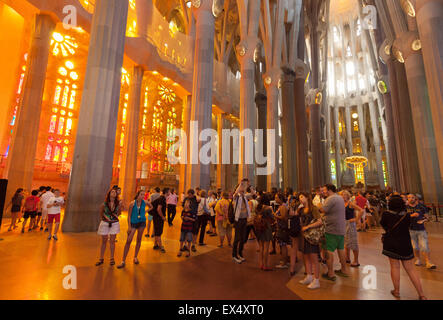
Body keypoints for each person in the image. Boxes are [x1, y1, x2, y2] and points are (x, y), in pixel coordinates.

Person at [381, 195, 427, 300]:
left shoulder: (386, 214)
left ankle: (396, 291)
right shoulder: (407, 216)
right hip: (405, 243)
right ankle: (421, 294)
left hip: (391, 243)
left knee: (394, 267)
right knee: (411, 269)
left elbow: (384, 226)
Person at [318, 184, 348, 281]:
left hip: (332, 229)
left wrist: (318, 205)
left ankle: (330, 273)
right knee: (341, 249)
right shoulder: (339, 198)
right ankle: (344, 269)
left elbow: (322, 210)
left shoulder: (331, 199)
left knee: (329, 251)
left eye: (325, 190)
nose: (324, 191)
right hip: (341, 228)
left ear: (330, 190)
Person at [117, 190, 152, 268]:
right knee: (128, 240)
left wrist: (145, 211)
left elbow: (151, 206)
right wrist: (129, 226)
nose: (142, 196)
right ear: (138, 195)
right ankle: (123, 260)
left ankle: (135, 257)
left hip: (142, 222)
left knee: (139, 240)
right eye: (141, 194)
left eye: (143, 195)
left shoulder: (145, 202)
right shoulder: (132, 204)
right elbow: (129, 216)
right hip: (133, 223)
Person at [298, 192, 322, 289]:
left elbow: (319, 221)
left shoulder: (314, 209)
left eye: (302, 197)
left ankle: (316, 280)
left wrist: (308, 226)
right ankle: (309, 276)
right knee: (306, 256)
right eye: (299, 197)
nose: (300, 199)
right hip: (304, 236)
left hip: (312, 236)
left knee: (314, 258)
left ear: (307, 198)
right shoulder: (301, 210)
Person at [406, 194, 436, 269]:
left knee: (425, 246)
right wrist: (412, 215)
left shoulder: (421, 206)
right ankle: (418, 259)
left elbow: (427, 217)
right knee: (415, 247)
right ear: (407, 199)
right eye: (409, 197)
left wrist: (423, 220)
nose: (411, 199)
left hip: (421, 229)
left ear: (415, 198)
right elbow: (403, 217)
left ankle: (428, 262)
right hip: (411, 229)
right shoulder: (405, 207)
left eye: (412, 197)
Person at [96, 188, 121, 266]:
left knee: (112, 242)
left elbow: (119, 213)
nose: (114, 193)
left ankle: (112, 258)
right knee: (104, 241)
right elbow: (101, 213)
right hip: (105, 223)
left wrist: (119, 208)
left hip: (114, 224)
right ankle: (101, 258)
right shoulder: (104, 204)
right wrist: (106, 219)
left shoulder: (118, 204)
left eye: (115, 192)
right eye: (112, 192)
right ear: (109, 194)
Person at [339, 190, 362, 267]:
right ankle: (347, 258)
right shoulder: (341, 204)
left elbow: (361, 210)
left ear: (347, 196)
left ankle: (356, 260)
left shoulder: (350, 203)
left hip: (350, 224)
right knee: (346, 242)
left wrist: (356, 219)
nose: (343, 196)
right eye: (341, 195)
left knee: (353, 242)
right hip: (343, 224)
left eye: (344, 195)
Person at [232, 179, 251, 264]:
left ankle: (240, 253)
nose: (243, 189)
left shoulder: (244, 197)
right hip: (238, 219)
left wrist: (249, 185)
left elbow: (253, 194)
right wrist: (241, 183)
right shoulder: (236, 197)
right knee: (237, 238)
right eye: (241, 188)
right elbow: (236, 193)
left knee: (243, 238)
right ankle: (234, 255)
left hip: (244, 219)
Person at [254, 194, 274, 271]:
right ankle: (265, 265)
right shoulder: (268, 208)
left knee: (261, 247)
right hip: (266, 227)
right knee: (266, 247)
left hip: (259, 228)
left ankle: (261, 264)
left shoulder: (258, 207)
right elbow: (272, 217)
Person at [274, 192, 290, 269]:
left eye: (277, 198)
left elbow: (283, 217)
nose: (275, 199)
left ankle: (284, 263)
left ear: (280, 199)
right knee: (282, 246)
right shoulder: (281, 206)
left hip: (282, 228)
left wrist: (275, 215)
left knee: (283, 246)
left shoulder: (283, 207)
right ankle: (285, 261)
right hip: (281, 228)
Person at [151, 188, 168, 252]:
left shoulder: (161, 198)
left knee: (157, 231)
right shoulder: (162, 199)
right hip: (158, 218)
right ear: (167, 192)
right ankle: (161, 246)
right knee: (158, 232)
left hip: (156, 217)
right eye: (169, 192)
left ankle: (155, 244)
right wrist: (163, 217)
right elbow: (159, 209)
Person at [288, 195, 301, 276]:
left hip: (293, 228)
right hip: (299, 227)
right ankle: (307, 270)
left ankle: (292, 268)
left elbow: (291, 214)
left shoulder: (291, 205)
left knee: (293, 247)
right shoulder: (301, 206)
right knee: (302, 249)